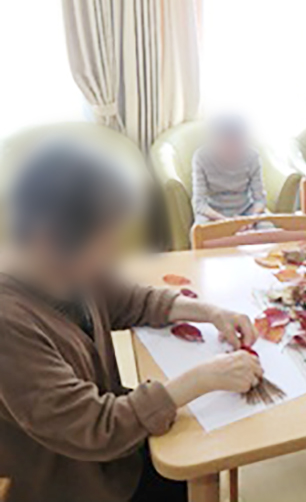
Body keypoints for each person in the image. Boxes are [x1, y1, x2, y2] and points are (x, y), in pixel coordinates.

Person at [0, 144, 263, 502]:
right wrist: (201, 379)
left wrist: (212, 313)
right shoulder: (9, 326)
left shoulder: (64, 268)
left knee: (196, 451)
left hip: (116, 451)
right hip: (79, 481)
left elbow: (129, 300)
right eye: (104, 246)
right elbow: (97, 426)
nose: (111, 259)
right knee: (194, 460)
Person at [192, 117, 267, 224]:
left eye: (238, 143)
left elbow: (260, 200)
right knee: (200, 230)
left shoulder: (252, 156)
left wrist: (250, 219)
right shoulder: (201, 157)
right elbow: (199, 204)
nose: (232, 148)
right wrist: (225, 221)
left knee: (268, 229)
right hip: (213, 213)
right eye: (226, 143)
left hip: (246, 211)